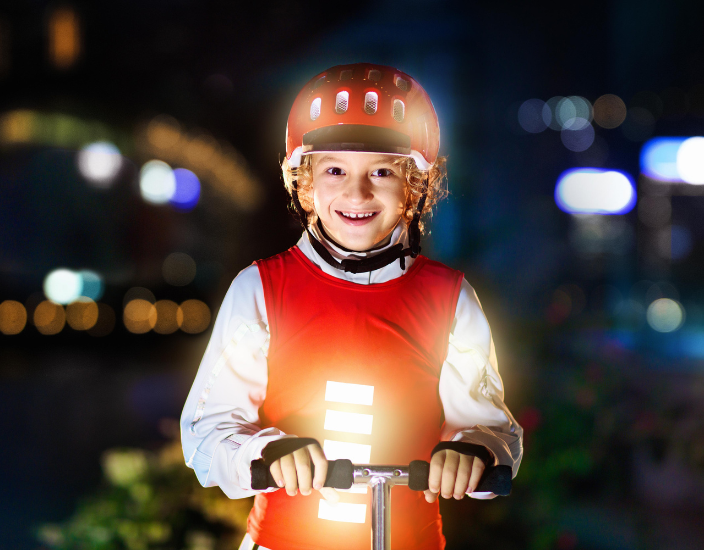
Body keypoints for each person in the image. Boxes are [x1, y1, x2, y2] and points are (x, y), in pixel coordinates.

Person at [178, 63, 523, 550]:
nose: (357, 192)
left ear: (416, 186)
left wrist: (472, 452)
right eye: (335, 169)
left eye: (382, 171)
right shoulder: (260, 288)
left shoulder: (450, 298)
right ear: (303, 182)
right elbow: (207, 431)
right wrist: (267, 450)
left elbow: (491, 428)